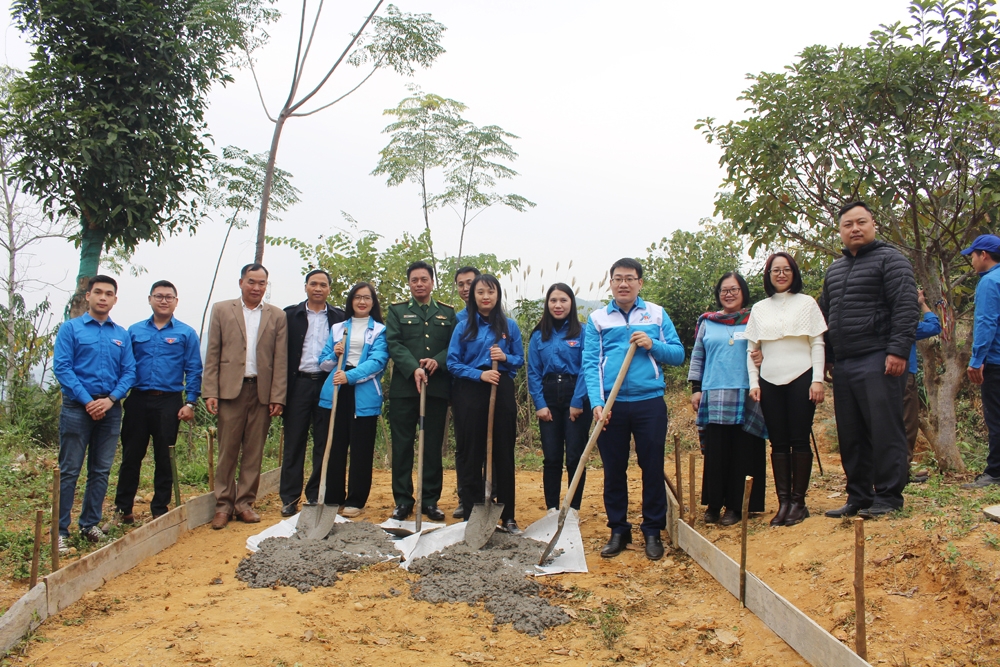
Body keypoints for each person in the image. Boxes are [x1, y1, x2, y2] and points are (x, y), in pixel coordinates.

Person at [819, 202, 917, 518]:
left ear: (873, 224)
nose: (855, 229)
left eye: (861, 222)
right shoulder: (834, 270)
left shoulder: (892, 260)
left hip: (879, 357)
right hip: (845, 363)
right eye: (848, 224)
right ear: (840, 231)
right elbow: (826, 316)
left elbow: (906, 307)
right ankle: (858, 496)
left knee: (885, 429)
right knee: (851, 433)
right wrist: (829, 357)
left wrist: (898, 350)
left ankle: (888, 497)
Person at [582, 258, 685, 560]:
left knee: (651, 467)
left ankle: (652, 530)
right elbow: (590, 363)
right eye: (617, 278)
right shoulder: (598, 318)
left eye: (629, 278)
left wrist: (652, 344)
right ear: (610, 283)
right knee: (614, 469)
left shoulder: (656, 314)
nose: (623, 283)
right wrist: (598, 403)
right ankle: (619, 530)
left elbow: (678, 354)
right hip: (611, 405)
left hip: (649, 402)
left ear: (640, 282)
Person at [53, 275, 136, 551]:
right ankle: (60, 531)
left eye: (108, 293)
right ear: (87, 296)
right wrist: (89, 401)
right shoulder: (71, 329)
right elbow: (63, 368)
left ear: (114, 299)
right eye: (98, 292)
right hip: (78, 408)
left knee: (100, 470)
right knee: (70, 470)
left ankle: (90, 524)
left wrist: (111, 400)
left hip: (110, 410)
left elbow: (129, 372)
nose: (103, 297)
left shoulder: (120, 334)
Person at [203, 263, 288, 529]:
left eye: (262, 283)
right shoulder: (221, 310)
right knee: (227, 449)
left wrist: (278, 396)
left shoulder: (276, 316)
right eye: (252, 282)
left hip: (261, 392)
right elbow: (212, 353)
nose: (256, 287)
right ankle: (223, 505)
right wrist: (210, 392)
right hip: (230, 391)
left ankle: (244, 503)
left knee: (254, 450)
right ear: (241, 282)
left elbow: (280, 359)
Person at [745, 254, 827, 527]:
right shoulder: (759, 308)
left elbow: (817, 343)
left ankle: (798, 502)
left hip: (802, 377)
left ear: (794, 272)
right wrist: (754, 383)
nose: (781, 274)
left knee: (799, 439)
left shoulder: (807, 304)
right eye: (775, 270)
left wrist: (818, 380)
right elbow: (752, 349)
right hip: (769, 380)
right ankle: (784, 503)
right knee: (778, 442)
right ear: (768, 275)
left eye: (786, 269)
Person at [115, 280, 202, 523]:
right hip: (138, 401)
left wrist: (191, 403)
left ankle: (160, 510)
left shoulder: (186, 333)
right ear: (150, 299)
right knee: (131, 456)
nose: (163, 300)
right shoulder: (134, 331)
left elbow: (194, 369)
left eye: (168, 297)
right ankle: (123, 510)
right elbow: (124, 365)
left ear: (176, 301)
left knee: (165, 457)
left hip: (169, 403)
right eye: (158, 296)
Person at [688, 272, 767, 527]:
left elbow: (765, 351)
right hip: (715, 393)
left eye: (734, 289)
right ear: (718, 294)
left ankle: (736, 506)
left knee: (743, 451)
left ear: (743, 292)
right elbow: (698, 356)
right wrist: (696, 388)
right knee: (716, 451)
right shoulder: (707, 322)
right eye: (724, 290)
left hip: (747, 392)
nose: (729, 294)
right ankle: (713, 504)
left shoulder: (755, 320)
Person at [447, 274, 524, 533]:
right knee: (472, 452)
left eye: (490, 292)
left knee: (502, 450)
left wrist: (504, 357)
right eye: (480, 292)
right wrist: (479, 374)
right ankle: (472, 511)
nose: (485, 296)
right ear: (473, 296)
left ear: (498, 295)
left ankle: (508, 513)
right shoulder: (463, 326)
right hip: (471, 390)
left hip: (500, 389)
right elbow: (452, 363)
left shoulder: (509, 325)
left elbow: (519, 359)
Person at [308, 282, 389, 514]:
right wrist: (335, 354)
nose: (362, 302)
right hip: (334, 391)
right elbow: (323, 362)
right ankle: (334, 497)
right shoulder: (338, 328)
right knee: (334, 446)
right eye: (357, 297)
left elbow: (377, 362)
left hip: (362, 392)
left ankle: (355, 500)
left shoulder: (380, 330)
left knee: (361, 449)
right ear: (351, 301)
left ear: (373, 302)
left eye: (367, 297)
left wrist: (349, 376)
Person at [386, 261, 456, 521]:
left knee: (432, 446)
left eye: (424, 279)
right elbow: (394, 342)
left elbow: (454, 345)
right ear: (409, 283)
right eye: (414, 280)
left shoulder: (448, 314)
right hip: (405, 388)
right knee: (402, 446)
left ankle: (430, 500)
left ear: (432, 282)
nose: (419, 284)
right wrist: (413, 367)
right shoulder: (397, 311)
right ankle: (403, 501)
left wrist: (438, 360)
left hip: (435, 388)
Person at [279, 269, 346, 516]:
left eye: (323, 285)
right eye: (313, 284)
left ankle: (316, 495)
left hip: (328, 383)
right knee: (294, 442)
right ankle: (289, 498)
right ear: (306, 286)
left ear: (330, 289)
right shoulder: (290, 315)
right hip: (299, 384)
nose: (318, 289)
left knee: (324, 441)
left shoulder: (339, 317)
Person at [528, 283, 592, 512]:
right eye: (553, 300)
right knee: (552, 457)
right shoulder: (538, 335)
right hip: (549, 397)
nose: (558, 305)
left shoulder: (583, 331)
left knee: (575, 456)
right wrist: (540, 404)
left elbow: (588, 367)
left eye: (563, 300)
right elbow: (533, 371)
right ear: (547, 304)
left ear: (572, 303)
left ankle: (573, 508)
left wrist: (578, 400)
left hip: (576, 394)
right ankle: (552, 509)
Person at [962, 234, 1000, 488]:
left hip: (996, 361)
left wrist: (977, 360)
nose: (972, 262)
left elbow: (986, 322)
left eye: (973, 256)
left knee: (996, 417)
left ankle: (995, 471)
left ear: (983, 255)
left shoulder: (989, 282)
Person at [451, 266, 480, 517]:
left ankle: (489, 493)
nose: (465, 289)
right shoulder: (457, 319)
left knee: (488, 443)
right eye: (460, 284)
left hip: (488, 386)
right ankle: (465, 496)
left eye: (469, 283)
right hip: (463, 389)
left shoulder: (497, 319)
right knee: (464, 445)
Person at [904, 290, 941, 483]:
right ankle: (902, 471)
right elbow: (934, 326)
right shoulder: (907, 325)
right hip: (905, 375)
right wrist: (921, 304)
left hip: (879, 377)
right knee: (908, 424)